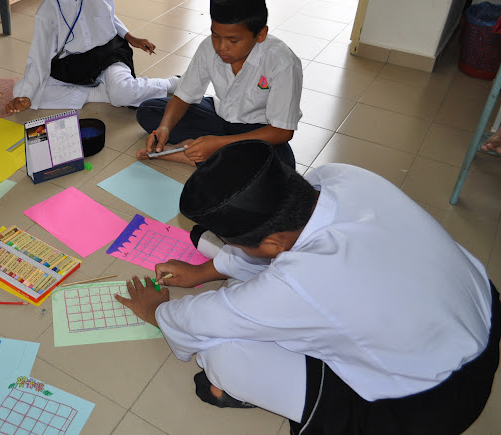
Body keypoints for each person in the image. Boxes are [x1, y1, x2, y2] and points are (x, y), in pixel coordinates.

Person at [116, 140, 499, 434]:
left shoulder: (301, 281)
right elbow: (275, 246)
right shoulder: (341, 176)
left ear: (271, 245)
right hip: (477, 308)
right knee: (272, 293)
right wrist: (202, 273)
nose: (233, 249)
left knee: (224, 354)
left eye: (236, 243)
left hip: (434, 400)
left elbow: (203, 319)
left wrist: (154, 311)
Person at [135, 0, 302, 168]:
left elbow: (283, 131)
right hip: (218, 117)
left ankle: (189, 152)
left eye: (233, 40)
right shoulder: (208, 47)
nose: (221, 47)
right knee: (148, 111)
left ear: (261, 34)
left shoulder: (282, 62)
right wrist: (164, 127)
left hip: (259, 131)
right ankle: (208, 153)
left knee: (282, 166)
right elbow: (183, 96)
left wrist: (218, 144)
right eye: (215, 35)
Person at [5, 0, 179, 114]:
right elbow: (39, 58)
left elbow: (109, 18)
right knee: (22, 91)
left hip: (110, 53)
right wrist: (27, 94)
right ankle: (98, 93)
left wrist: (129, 37)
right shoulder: (46, 13)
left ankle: (171, 83)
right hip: (74, 64)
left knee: (123, 93)